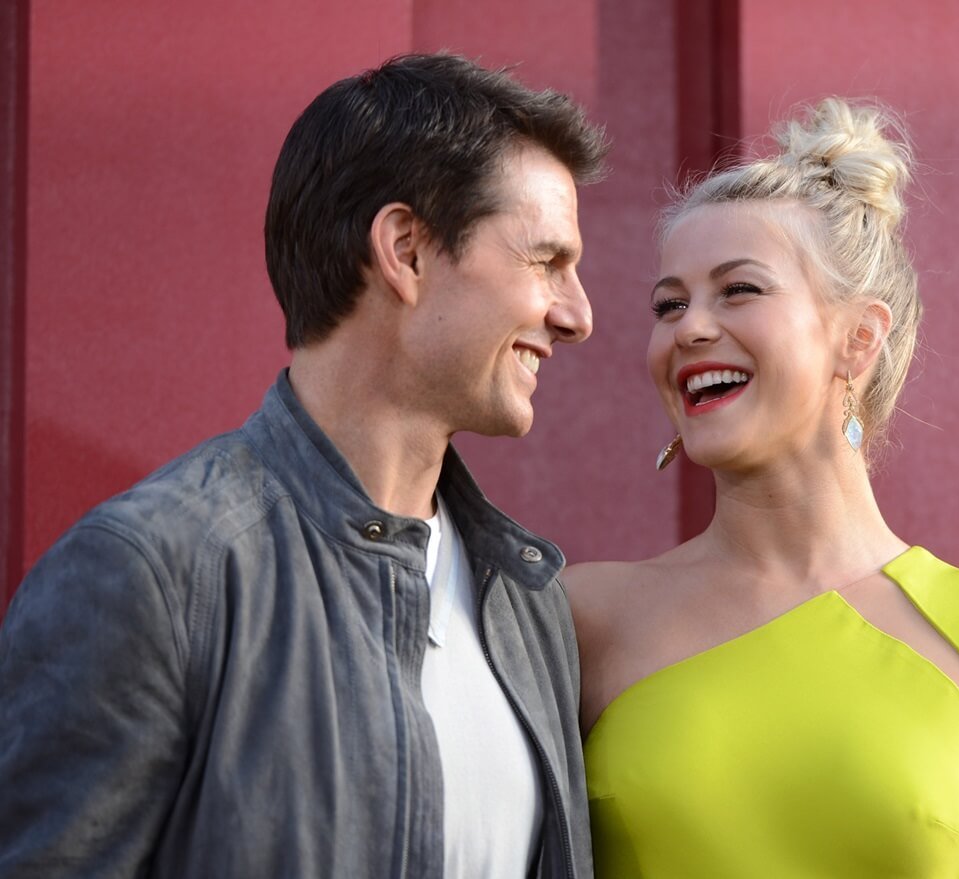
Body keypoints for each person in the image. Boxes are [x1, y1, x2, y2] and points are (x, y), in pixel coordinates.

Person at [0, 53, 606, 878]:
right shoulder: (156, 574)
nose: (577, 316)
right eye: (546, 261)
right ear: (406, 251)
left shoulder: (527, 604)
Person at [566, 98, 959, 878]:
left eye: (738, 290)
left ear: (857, 339)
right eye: (669, 304)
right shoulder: (579, 620)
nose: (689, 329)